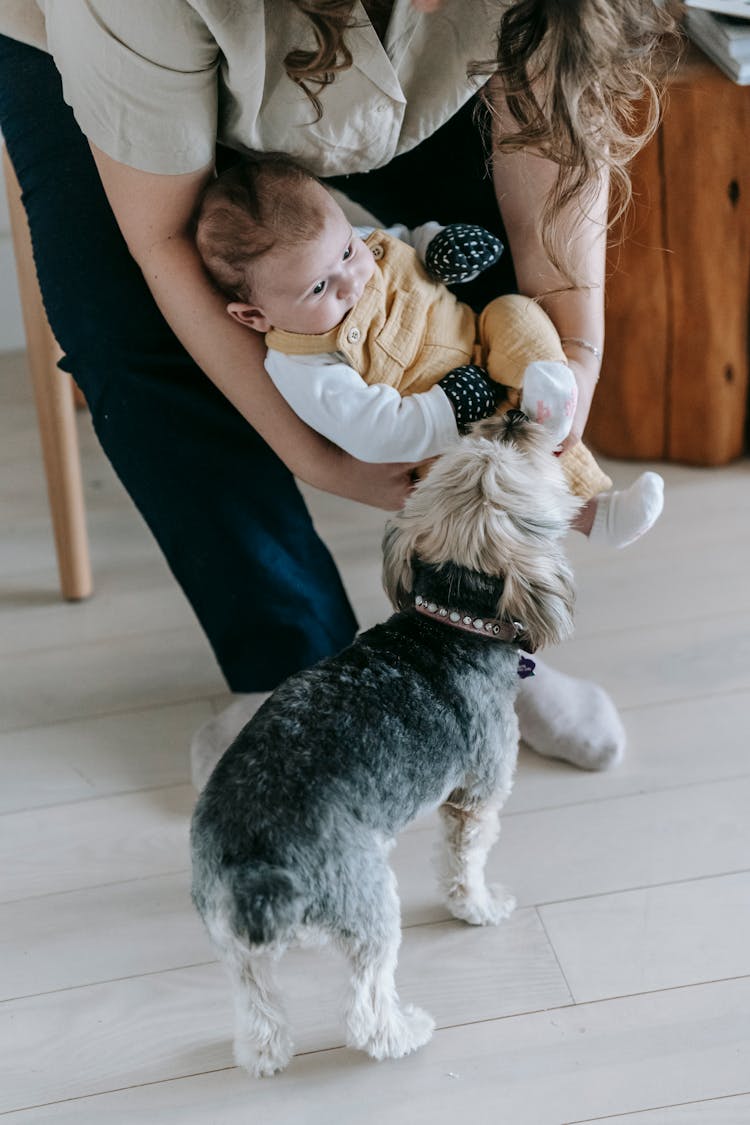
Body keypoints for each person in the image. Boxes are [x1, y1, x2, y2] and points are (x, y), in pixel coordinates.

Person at [0, 0, 678, 781]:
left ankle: (481, 645)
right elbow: (162, 239)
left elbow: (550, 123)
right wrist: (314, 454)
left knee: (488, 266)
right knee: (122, 321)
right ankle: (291, 666)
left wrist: (573, 356)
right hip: (118, 44)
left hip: (389, 67)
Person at [195, 154, 665, 550]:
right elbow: (372, 433)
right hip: (442, 428)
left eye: (345, 253)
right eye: (319, 288)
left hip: (480, 340)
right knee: (492, 477)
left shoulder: (357, 245)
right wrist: (447, 406)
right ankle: (593, 517)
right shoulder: (302, 363)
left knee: (516, 313)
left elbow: (402, 240)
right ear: (254, 316)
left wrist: (436, 245)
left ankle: (547, 394)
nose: (351, 282)